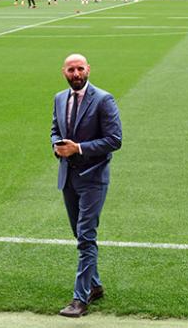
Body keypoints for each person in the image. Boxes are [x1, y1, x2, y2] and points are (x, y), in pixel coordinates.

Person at [51, 54, 122, 318]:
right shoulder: (59, 98)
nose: (76, 73)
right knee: (79, 234)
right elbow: (55, 130)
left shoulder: (104, 99)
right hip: (68, 178)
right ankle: (95, 285)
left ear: (88, 69)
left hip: (93, 178)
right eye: (71, 69)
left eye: (80, 68)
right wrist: (57, 147)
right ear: (64, 72)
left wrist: (78, 148)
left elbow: (115, 139)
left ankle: (79, 299)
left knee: (85, 236)